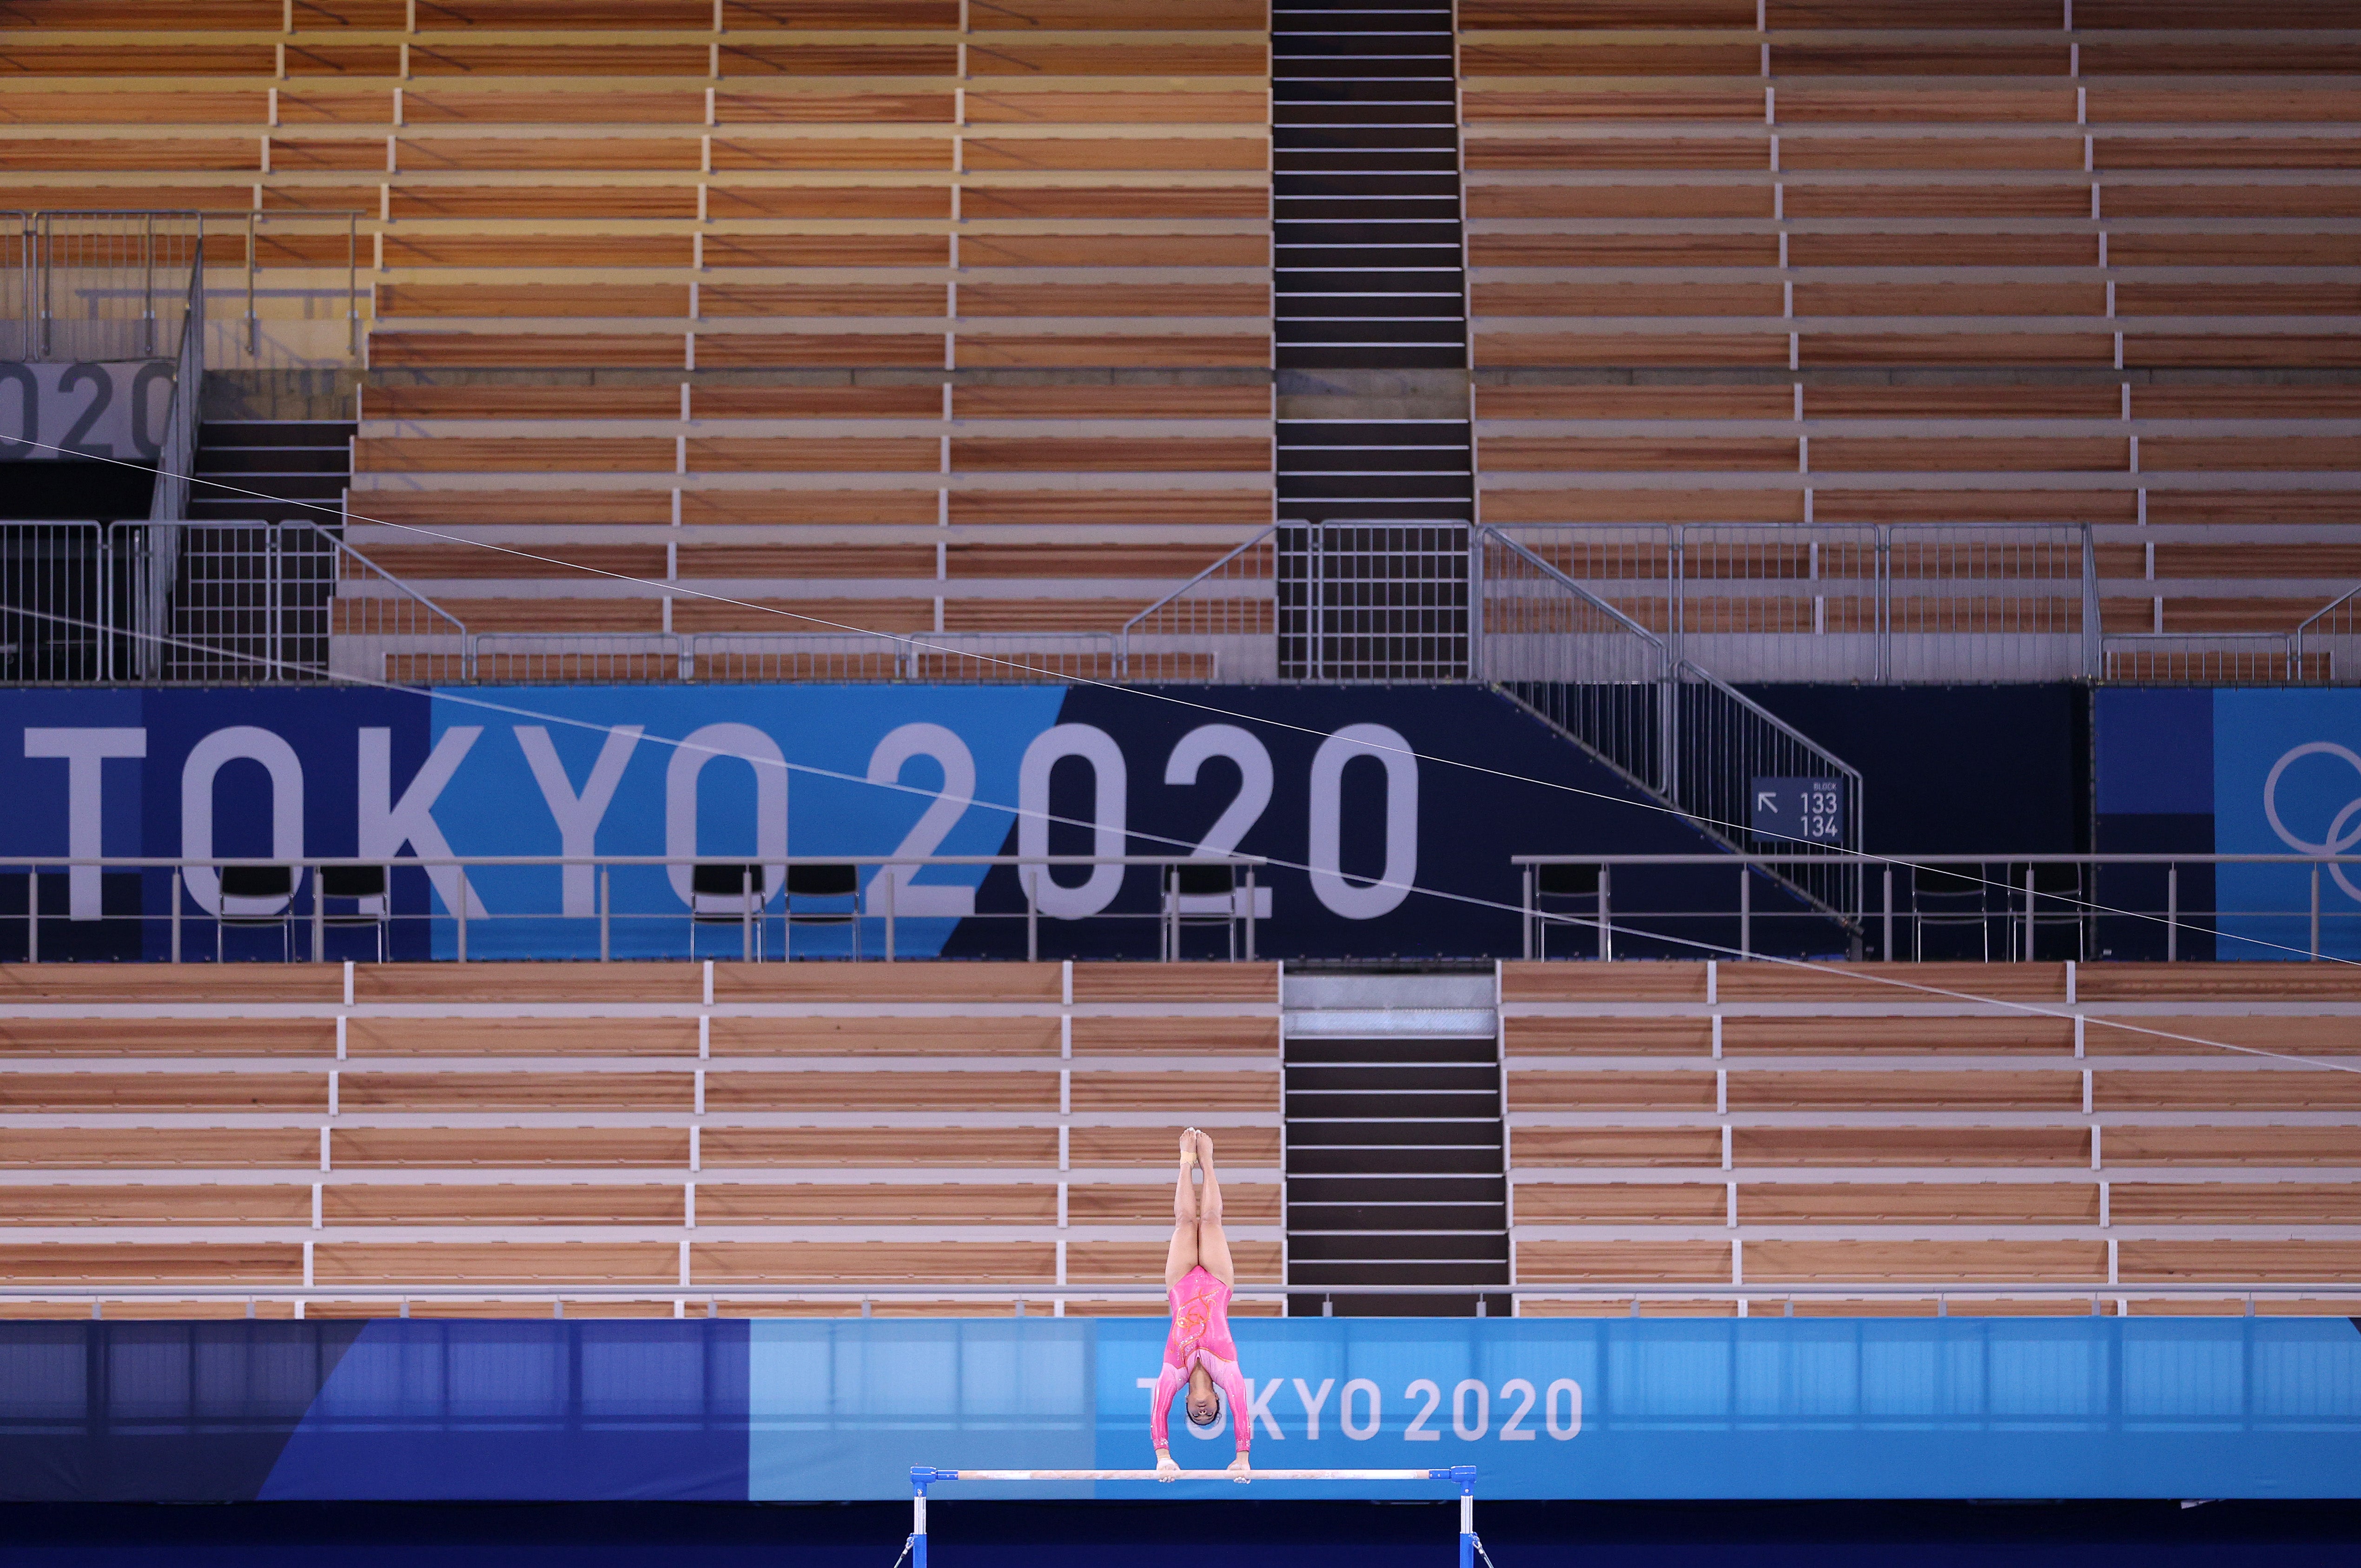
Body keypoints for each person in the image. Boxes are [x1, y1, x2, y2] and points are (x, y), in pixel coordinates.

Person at [1151, 1127, 1252, 1482]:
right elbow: (1242, 1408)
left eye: (1198, 1416)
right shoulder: (1227, 1371)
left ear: (1189, 1405)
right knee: (1210, 1221)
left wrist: (1163, 1456)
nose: (1204, 1412)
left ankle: (1184, 1162)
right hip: (1218, 1282)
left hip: (1180, 1284)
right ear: (1215, 1402)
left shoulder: (1172, 1371)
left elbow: (1157, 1412)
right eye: (1210, 1415)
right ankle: (1207, 1162)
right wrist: (1242, 1458)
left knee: (1183, 1222)